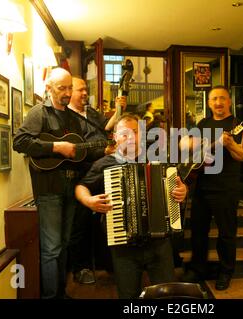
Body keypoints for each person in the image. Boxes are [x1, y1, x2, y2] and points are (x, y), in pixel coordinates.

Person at [75, 114, 188, 298]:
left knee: (167, 294)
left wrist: (183, 191)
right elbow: (81, 186)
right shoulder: (105, 164)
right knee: (128, 295)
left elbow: (180, 185)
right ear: (115, 137)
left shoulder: (159, 160)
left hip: (159, 244)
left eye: (134, 132)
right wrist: (89, 201)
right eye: (124, 134)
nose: (130, 138)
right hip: (123, 245)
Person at [13, 68, 91, 299]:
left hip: (70, 188)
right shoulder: (39, 113)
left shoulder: (73, 118)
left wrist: (101, 149)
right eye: (61, 88)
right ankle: (50, 297)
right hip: (48, 190)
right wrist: (56, 147)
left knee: (64, 245)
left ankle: (61, 293)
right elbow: (20, 141)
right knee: (51, 249)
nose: (67, 93)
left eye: (70, 87)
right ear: (48, 88)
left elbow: (80, 150)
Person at [181, 85, 243, 291]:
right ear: (209, 103)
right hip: (201, 186)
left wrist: (229, 144)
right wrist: (211, 142)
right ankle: (197, 269)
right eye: (214, 99)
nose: (218, 102)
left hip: (226, 189)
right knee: (198, 232)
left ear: (229, 101)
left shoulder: (239, 126)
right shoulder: (203, 123)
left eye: (222, 98)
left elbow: (242, 155)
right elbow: (184, 144)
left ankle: (226, 271)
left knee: (226, 234)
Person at [66, 77, 124, 284]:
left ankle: (106, 263)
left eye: (85, 90)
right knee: (80, 224)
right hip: (81, 175)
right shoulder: (65, 116)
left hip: (101, 170)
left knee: (105, 219)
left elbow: (106, 127)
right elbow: (73, 149)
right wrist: (103, 150)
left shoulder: (90, 113)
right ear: (69, 91)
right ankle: (80, 268)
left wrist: (118, 110)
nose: (84, 94)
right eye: (80, 90)